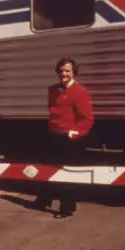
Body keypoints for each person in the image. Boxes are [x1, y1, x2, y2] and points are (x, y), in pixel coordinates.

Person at [32, 57, 94, 219]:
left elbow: (87, 118)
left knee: (67, 174)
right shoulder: (52, 90)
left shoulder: (80, 92)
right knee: (48, 171)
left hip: (70, 140)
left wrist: (76, 132)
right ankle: (44, 200)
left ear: (74, 72)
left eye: (67, 71)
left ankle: (67, 208)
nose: (63, 74)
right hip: (54, 136)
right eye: (61, 71)